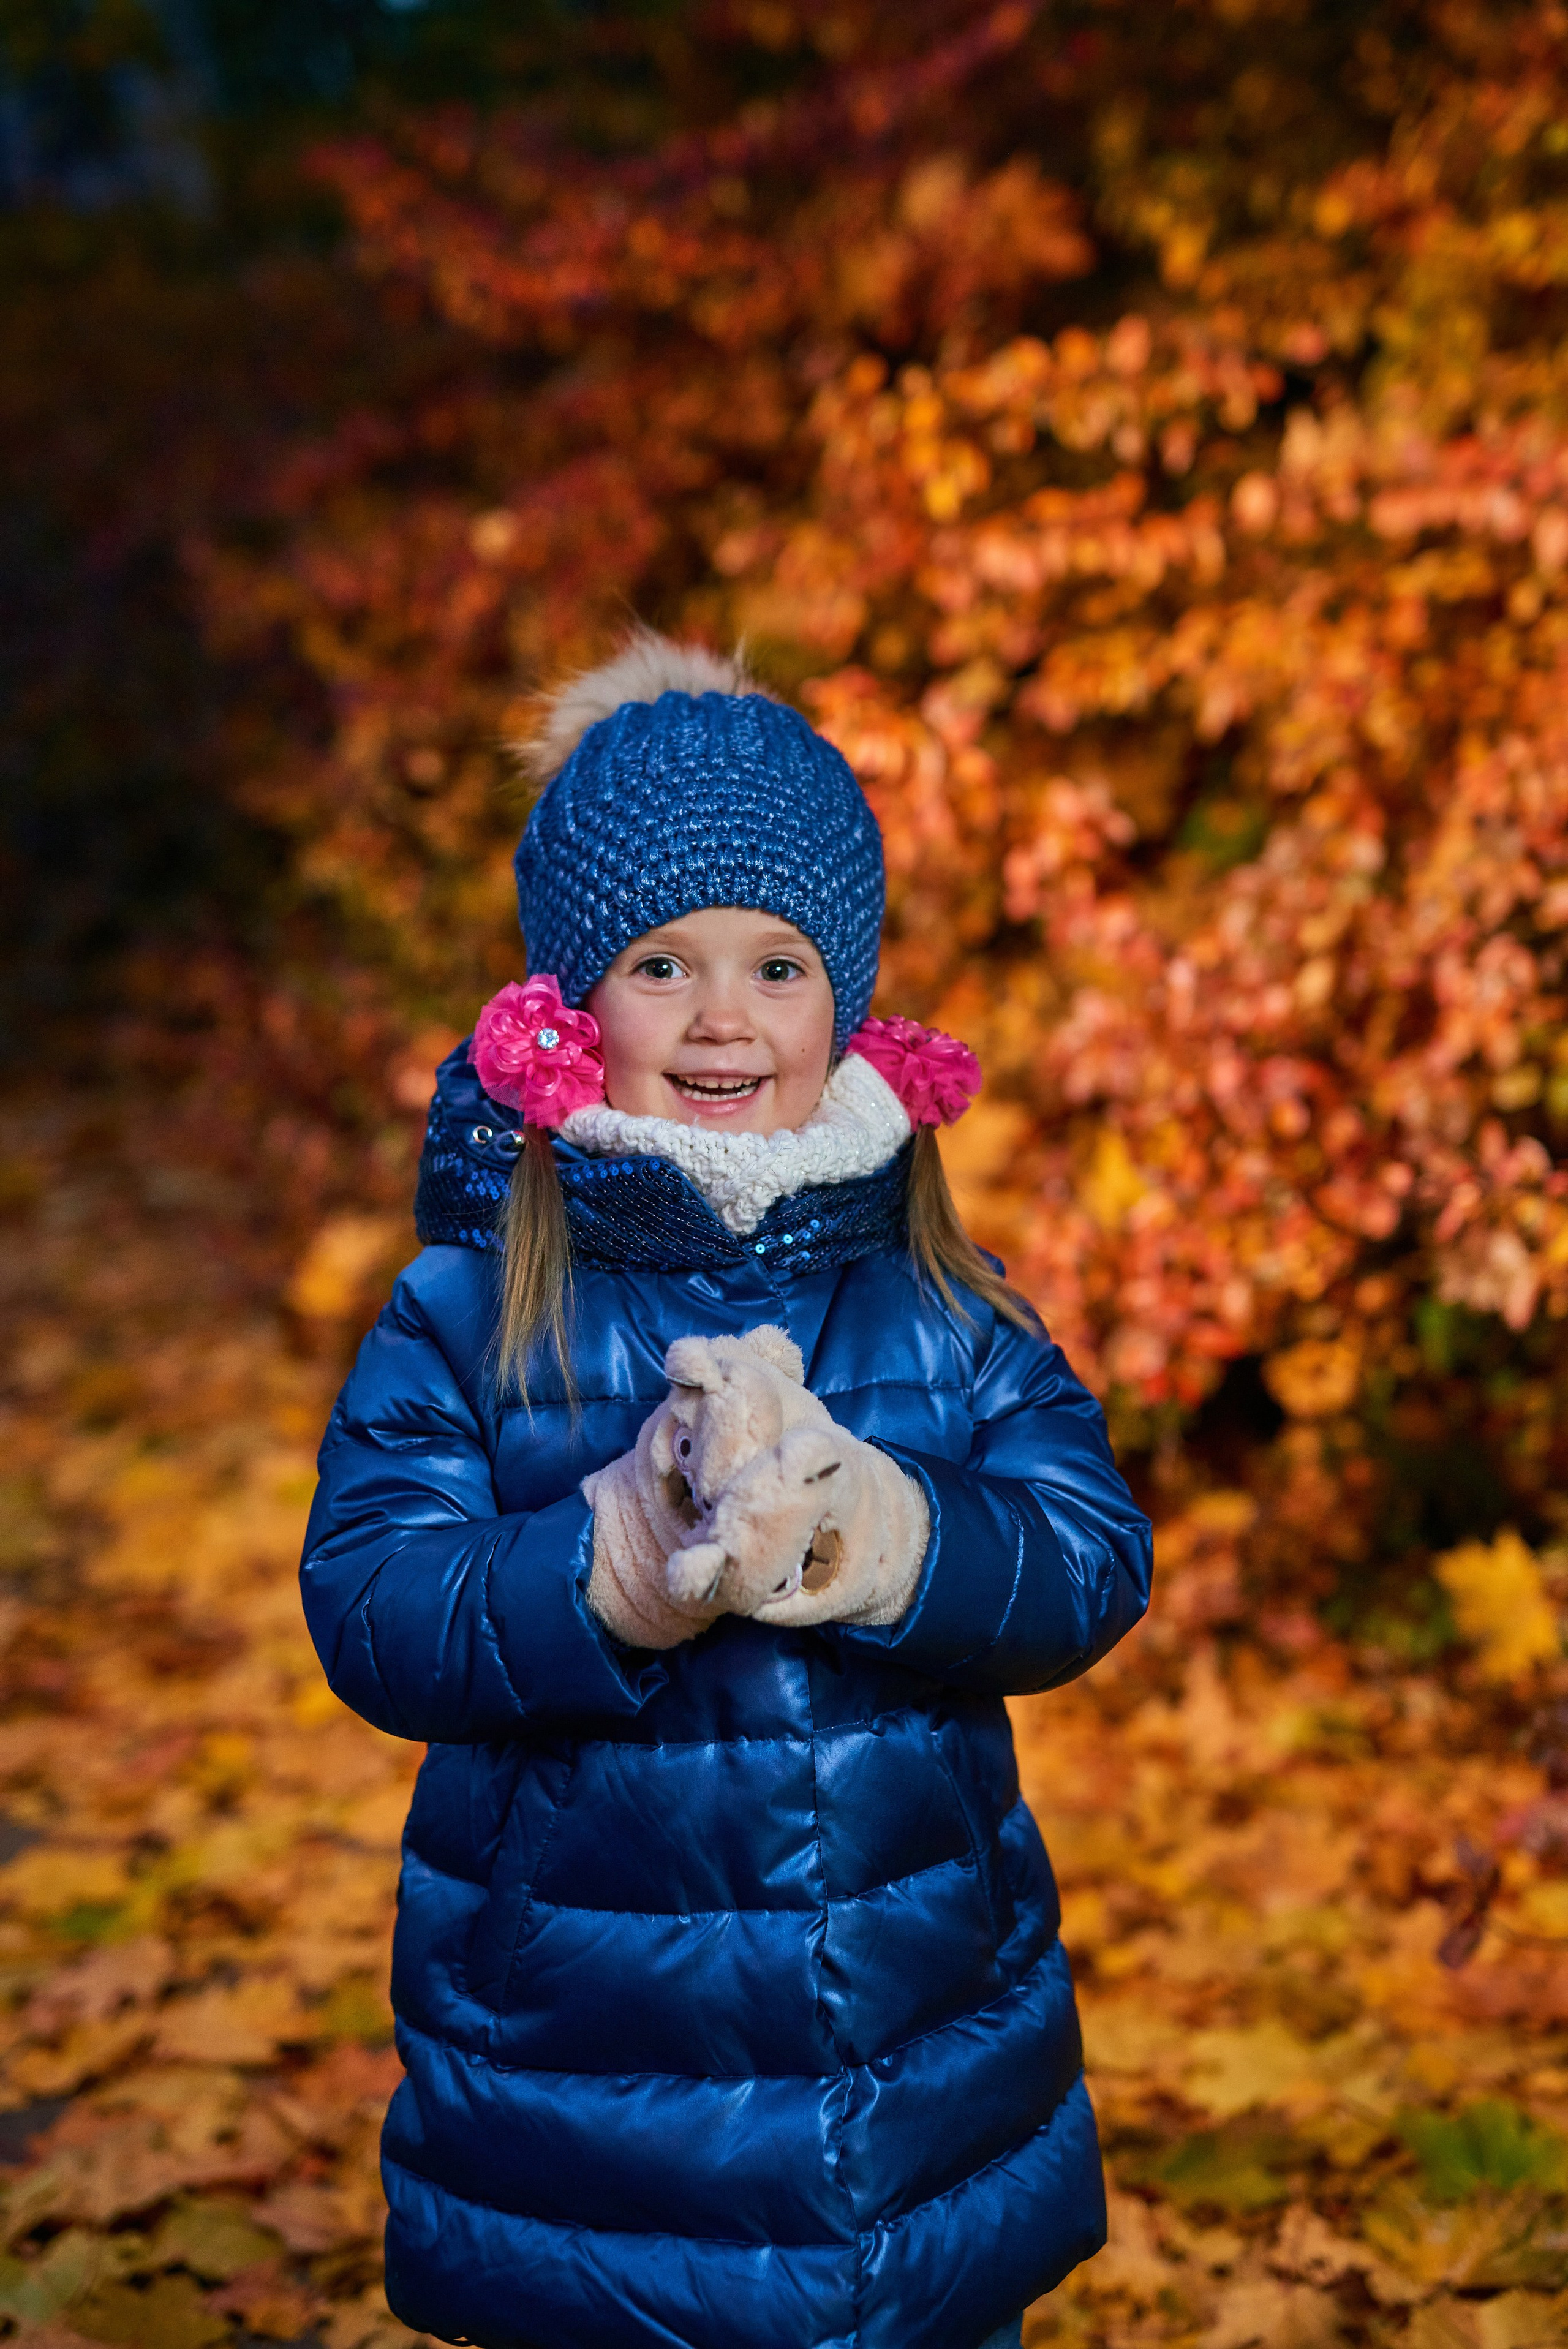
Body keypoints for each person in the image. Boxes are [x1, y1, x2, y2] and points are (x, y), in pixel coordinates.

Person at [299, 633, 1153, 2349]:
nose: (721, 1018)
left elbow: (1089, 1552)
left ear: (847, 1002)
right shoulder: (474, 1306)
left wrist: (888, 1530)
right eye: (661, 964)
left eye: (776, 964)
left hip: (911, 2052)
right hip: (592, 2075)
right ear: (569, 1007)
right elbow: (375, 1599)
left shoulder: (942, 1301)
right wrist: (613, 1554)